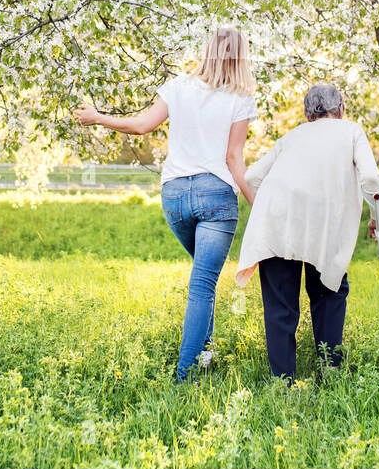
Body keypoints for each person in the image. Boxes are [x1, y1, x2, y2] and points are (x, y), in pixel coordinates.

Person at [74, 27, 258, 382]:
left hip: (174, 195)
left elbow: (142, 126)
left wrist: (98, 117)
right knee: (203, 282)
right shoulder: (241, 97)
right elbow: (234, 159)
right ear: (241, 57)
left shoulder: (178, 86)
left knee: (204, 276)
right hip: (216, 196)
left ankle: (204, 348)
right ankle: (184, 376)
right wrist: (259, 204)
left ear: (208, 51)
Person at [235, 82, 379, 383]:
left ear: (307, 114)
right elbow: (370, 177)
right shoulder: (351, 130)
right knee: (328, 292)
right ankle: (329, 371)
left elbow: (251, 177)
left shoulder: (291, 137)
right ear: (341, 109)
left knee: (280, 304)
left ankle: (282, 382)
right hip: (324, 225)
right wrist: (377, 219)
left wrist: (270, 211)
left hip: (277, 223)